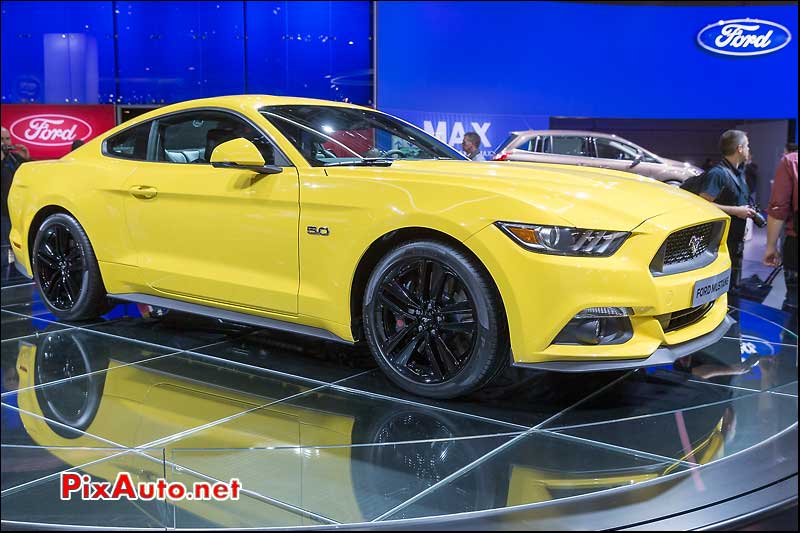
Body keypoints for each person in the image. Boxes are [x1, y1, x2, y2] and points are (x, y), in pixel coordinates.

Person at [699, 130, 756, 290]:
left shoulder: (738, 173)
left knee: (733, 283)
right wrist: (736, 211)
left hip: (735, 239)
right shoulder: (717, 174)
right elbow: (703, 204)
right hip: (721, 243)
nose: (748, 150)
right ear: (739, 148)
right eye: (747, 146)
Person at [763, 146, 798, 313]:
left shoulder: (791, 161)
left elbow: (778, 208)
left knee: (794, 310)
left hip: (796, 245)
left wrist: (771, 247)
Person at [1, 126, 31, 265]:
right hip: (3, 213)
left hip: (17, 211)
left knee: (18, 248)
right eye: (1, 139)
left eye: (7, 138)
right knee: (4, 249)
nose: (5, 142)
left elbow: (28, 178)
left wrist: (26, 158)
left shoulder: (14, 158)